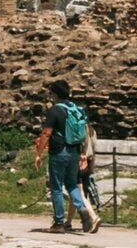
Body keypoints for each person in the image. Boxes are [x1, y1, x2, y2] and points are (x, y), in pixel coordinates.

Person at [34, 80, 100, 233]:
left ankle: (58, 223)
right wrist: (82, 153)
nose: (50, 97)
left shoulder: (55, 110)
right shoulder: (76, 109)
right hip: (74, 152)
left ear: (55, 94)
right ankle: (82, 208)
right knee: (71, 184)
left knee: (56, 188)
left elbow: (46, 133)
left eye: (51, 93)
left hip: (59, 152)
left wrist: (38, 153)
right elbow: (84, 133)